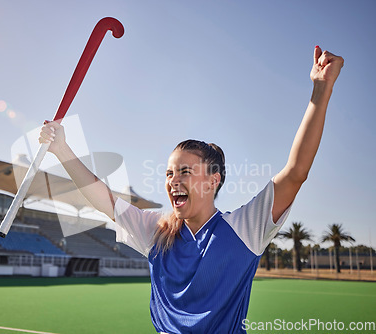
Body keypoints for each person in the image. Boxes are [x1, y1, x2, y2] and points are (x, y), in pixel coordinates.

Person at [39, 46, 344, 334]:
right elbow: (104, 200)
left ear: (214, 180)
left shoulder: (245, 229)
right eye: (169, 173)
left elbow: (294, 174)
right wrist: (63, 151)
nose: (173, 181)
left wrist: (321, 90)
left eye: (185, 172)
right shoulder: (157, 232)